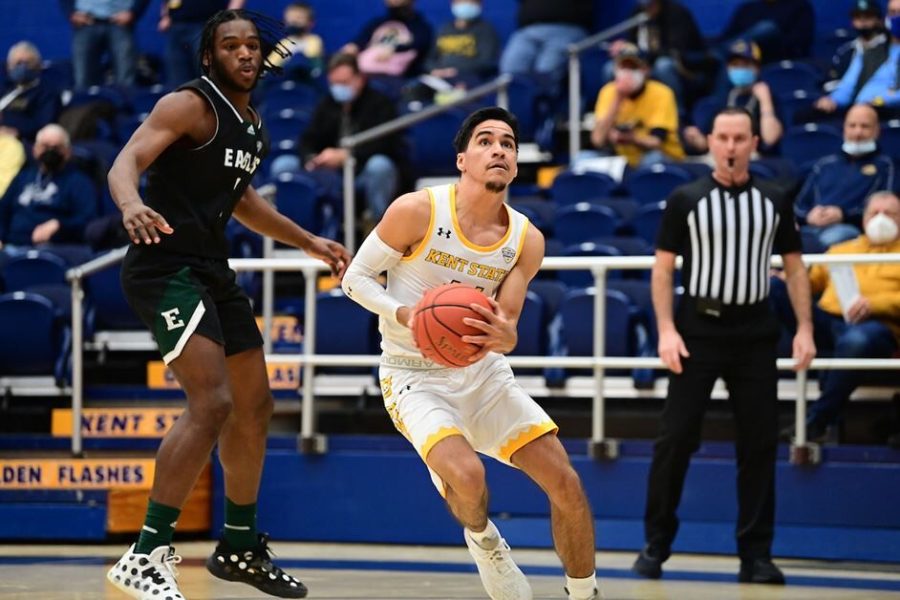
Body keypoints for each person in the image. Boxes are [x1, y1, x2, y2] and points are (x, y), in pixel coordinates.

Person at [104, 10, 351, 600]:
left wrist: (308, 241)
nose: (244, 53)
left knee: (254, 404)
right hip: (163, 264)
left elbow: (242, 201)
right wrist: (130, 205)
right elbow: (124, 162)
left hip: (211, 267)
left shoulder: (252, 123)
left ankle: (239, 543)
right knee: (211, 402)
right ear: (211, 56)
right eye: (231, 45)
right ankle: (145, 552)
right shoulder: (189, 104)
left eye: (252, 45)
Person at [341, 106, 600, 600]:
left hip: (482, 372)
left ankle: (584, 591)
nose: (498, 149)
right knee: (468, 475)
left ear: (517, 164)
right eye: (485, 141)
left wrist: (507, 338)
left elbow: (507, 327)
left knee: (565, 482)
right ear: (462, 159)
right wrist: (404, 315)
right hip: (412, 373)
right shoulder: (416, 210)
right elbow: (354, 278)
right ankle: (485, 541)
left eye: (507, 143)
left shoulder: (526, 239)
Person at [632, 106, 816, 584]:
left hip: (755, 332)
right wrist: (667, 331)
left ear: (754, 143)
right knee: (675, 440)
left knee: (758, 445)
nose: (731, 146)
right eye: (723, 137)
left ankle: (756, 555)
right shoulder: (685, 198)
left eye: (740, 138)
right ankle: (656, 545)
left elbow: (795, 268)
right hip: (698, 330)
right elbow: (663, 269)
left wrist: (805, 329)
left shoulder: (775, 199)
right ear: (710, 142)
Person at [779, 191, 900, 442]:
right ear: (864, 218)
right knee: (774, 288)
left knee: (856, 341)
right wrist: (787, 280)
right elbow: (811, 281)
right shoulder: (841, 250)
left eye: (889, 214)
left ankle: (816, 421)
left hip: (877, 327)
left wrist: (875, 304)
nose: (881, 219)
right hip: (829, 321)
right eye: (874, 213)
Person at [271, 53, 404, 226]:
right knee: (283, 165)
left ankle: (380, 228)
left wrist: (348, 156)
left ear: (360, 79)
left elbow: (386, 144)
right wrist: (312, 158)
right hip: (328, 173)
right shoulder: (327, 103)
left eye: (344, 83)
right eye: (334, 83)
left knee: (380, 166)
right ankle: (288, 227)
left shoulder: (380, 103)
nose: (339, 88)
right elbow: (308, 139)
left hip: (361, 172)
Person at [795, 104, 894, 248]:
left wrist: (843, 215)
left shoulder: (887, 166)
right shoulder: (824, 165)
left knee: (830, 240)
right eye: (852, 126)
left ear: (877, 130)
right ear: (844, 129)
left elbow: (887, 207)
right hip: (810, 227)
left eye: (864, 126)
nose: (857, 132)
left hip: (850, 229)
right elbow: (799, 205)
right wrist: (809, 215)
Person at [0, 124, 96, 251]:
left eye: (56, 148)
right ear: (35, 149)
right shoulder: (23, 177)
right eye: (45, 146)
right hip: (12, 245)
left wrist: (60, 225)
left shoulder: (79, 182)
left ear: (67, 152)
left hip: (53, 248)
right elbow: (2, 210)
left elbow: (87, 220)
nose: (50, 151)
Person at [589, 44, 684, 167]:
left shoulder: (661, 93)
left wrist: (631, 138)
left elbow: (656, 142)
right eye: (623, 67)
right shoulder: (608, 91)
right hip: (623, 159)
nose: (627, 73)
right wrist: (618, 99)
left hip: (662, 156)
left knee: (652, 160)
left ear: (646, 70)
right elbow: (597, 140)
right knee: (583, 158)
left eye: (633, 68)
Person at [683, 40, 783, 154]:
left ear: (757, 68)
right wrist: (697, 140)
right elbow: (708, 143)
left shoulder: (769, 99)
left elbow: (770, 138)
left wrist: (765, 101)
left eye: (745, 65)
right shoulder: (724, 98)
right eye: (735, 65)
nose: (740, 69)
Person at [613, 0, 712, 110]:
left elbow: (674, 50)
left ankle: (678, 113)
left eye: (651, 5)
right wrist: (625, 47)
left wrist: (643, 58)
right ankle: (622, 113)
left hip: (686, 67)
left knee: (663, 66)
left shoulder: (677, 12)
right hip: (645, 62)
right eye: (645, 5)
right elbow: (632, 42)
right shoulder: (638, 12)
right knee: (612, 68)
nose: (648, 8)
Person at [816, 0, 900, 115]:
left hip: (890, 109)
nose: (897, 17)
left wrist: (882, 100)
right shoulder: (871, 52)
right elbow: (848, 85)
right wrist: (832, 100)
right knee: (806, 115)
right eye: (893, 12)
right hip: (862, 109)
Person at [499, 0, 593, 89]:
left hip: (566, 28)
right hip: (528, 30)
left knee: (545, 72)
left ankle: (542, 103)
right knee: (509, 72)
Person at [59, 0, 149, 89]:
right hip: (86, 21)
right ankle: (84, 103)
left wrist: (134, 11)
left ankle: (125, 103)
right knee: (83, 80)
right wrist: (71, 12)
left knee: (126, 81)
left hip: (120, 21)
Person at [418, 0, 500, 96]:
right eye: (462, 1)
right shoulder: (445, 29)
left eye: (471, 2)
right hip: (439, 79)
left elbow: (487, 62)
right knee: (415, 90)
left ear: (480, 5)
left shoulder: (486, 30)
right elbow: (429, 59)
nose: (466, 5)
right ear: (453, 3)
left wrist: (455, 71)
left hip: (469, 81)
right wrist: (435, 70)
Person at [160, 0, 246, 90]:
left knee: (210, 79)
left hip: (207, 23)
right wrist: (166, 14)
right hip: (176, 26)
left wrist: (230, 17)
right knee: (178, 81)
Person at [340, 0, 434, 80]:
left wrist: (392, 50)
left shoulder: (421, 28)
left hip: (402, 82)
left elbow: (416, 48)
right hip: (367, 79)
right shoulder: (376, 24)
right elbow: (358, 43)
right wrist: (351, 49)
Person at [0, 42, 62, 142]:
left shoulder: (47, 92)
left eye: (27, 63)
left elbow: (43, 125)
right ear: (9, 66)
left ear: (38, 65)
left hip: (19, 140)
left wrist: (12, 126)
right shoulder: (5, 86)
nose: (22, 67)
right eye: (18, 63)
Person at [717, 0, 815, 63]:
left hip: (777, 58)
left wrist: (761, 46)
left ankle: (722, 51)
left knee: (767, 28)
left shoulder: (800, 7)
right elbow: (727, 36)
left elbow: (799, 43)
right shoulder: (748, 9)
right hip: (742, 60)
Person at [827, 0, 887, 83]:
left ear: (879, 20)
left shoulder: (890, 47)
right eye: (858, 16)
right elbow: (833, 81)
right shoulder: (846, 51)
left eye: (868, 15)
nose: (862, 20)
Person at [267, 2, 324, 81]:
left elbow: (311, 60)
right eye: (290, 19)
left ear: (310, 23)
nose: (293, 22)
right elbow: (270, 65)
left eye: (299, 18)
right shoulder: (283, 43)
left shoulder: (314, 40)